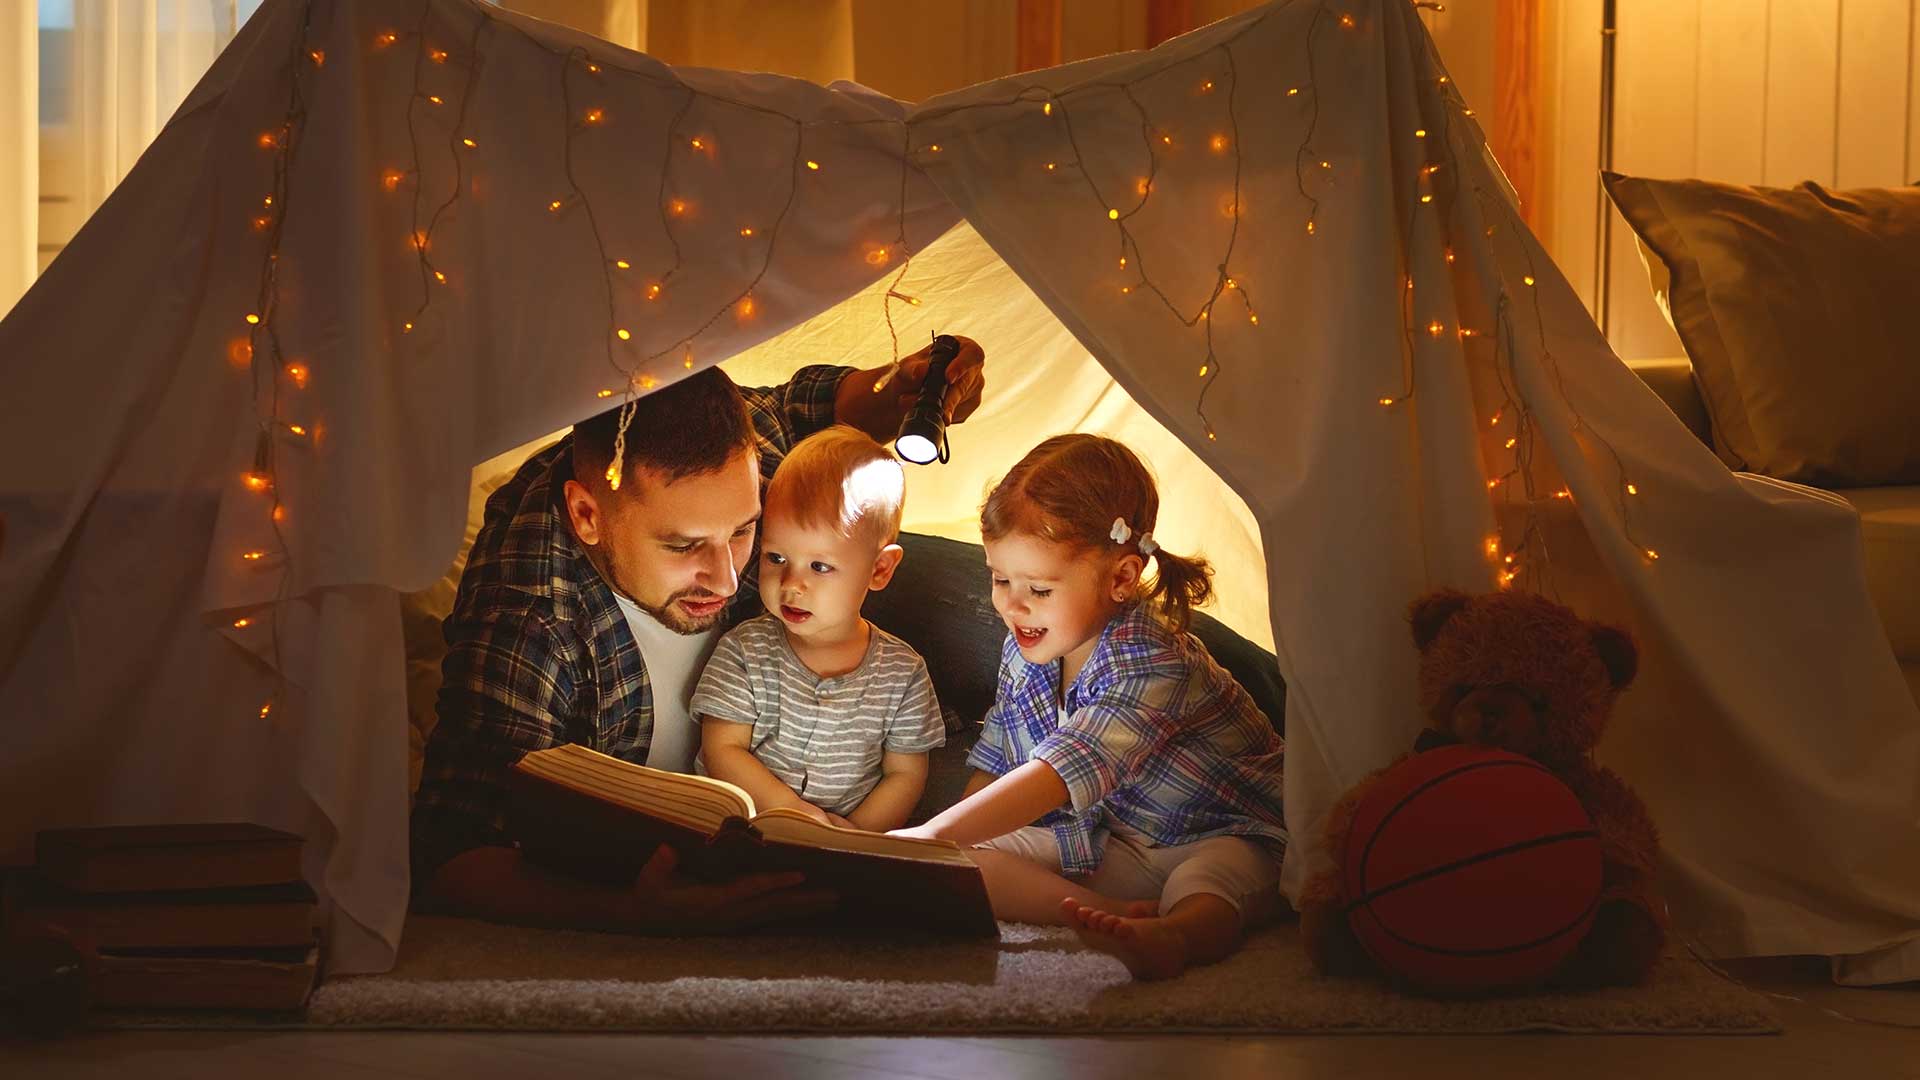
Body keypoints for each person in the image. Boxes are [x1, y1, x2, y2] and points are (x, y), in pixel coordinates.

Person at [410, 338, 985, 933]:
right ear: (588, 517)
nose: (731, 576)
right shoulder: (532, 615)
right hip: (765, 777)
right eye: (684, 546)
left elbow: (804, 407)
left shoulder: (744, 448)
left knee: (1037, 612)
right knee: (966, 829)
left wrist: (909, 384)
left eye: (744, 530)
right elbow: (449, 856)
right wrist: (632, 914)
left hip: (843, 601)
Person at [892, 434, 1286, 979]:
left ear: (1121, 577)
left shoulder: (1151, 658)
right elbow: (998, 757)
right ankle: (1116, 917)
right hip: (1113, 842)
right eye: (1000, 578)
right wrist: (948, 844)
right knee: (964, 861)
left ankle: (1174, 935)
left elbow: (1058, 773)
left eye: (1039, 589)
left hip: (1224, 833)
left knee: (1208, 882)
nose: (1011, 603)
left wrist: (931, 836)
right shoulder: (1024, 649)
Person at [693, 426, 945, 833]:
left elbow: (905, 775)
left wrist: (853, 836)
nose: (791, 583)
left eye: (820, 566)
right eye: (776, 557)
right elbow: (723, 748)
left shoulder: (904, 673)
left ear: (879, 569)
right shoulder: (744, 650)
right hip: (738, 829)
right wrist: (796, 815)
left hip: (845, 842)